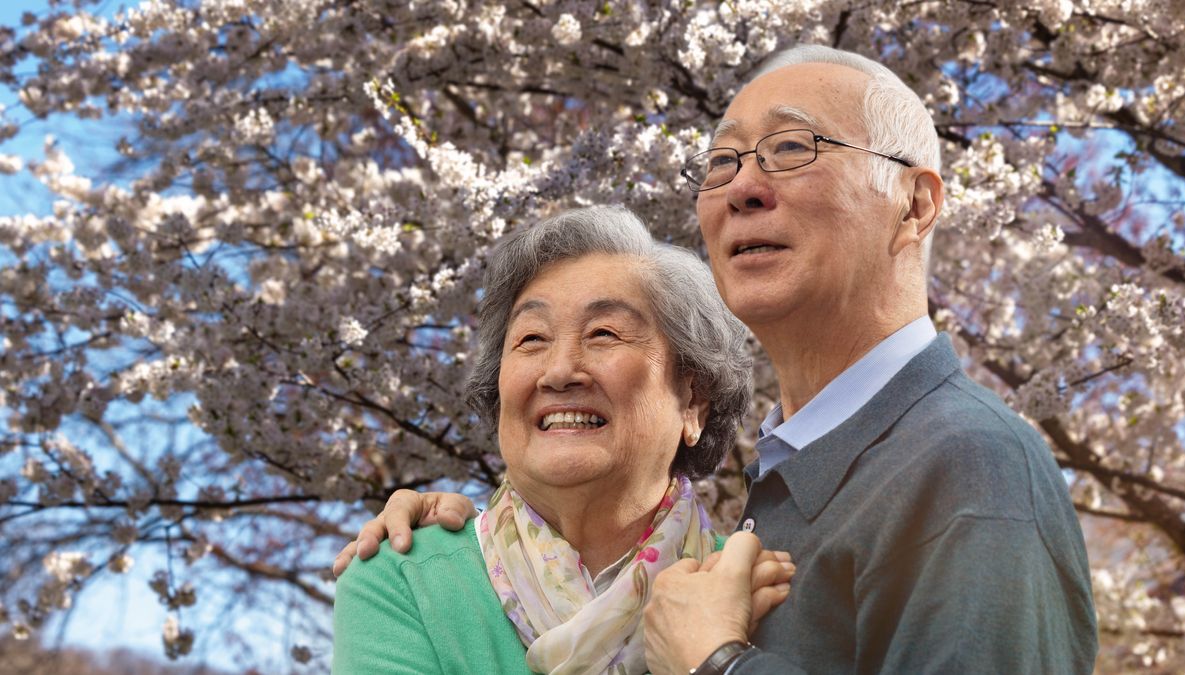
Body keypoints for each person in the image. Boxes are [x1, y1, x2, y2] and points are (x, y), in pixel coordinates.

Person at [335, 45, 1099, 674]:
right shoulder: (771, 508)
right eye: (723, 161)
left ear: (917, 204)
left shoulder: (969, 466)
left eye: (793, 147)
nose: (743, 187)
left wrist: (717, 663)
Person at [331, 205, 794, 674]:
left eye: (603, 333)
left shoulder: (757, 584)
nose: (558, 372)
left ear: (693, 398)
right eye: (532, 339)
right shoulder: (406, 580)